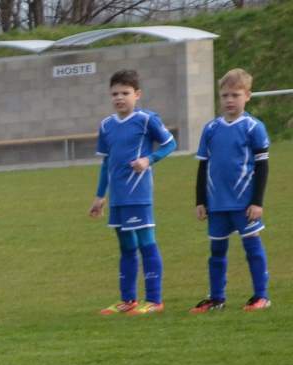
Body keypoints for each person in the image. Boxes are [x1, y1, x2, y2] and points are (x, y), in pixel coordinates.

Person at [88, 68, 177, 315]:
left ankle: (154, 300)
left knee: (146, 243)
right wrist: (100, 196)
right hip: (117, 198)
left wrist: (149, 159)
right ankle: (128, 300)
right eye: (115, 94)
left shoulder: (146, 119)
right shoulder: (106, 125)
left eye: (125, 93)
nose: (119, 98)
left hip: (139, 194)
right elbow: (106, 163)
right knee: (126, 246)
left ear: (137, 94)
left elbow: (170, 144)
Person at [190, 68, 271, 313]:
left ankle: (261, 296)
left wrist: (257, 202)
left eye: (235, 95)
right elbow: (203, 166)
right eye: (225, 95)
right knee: (216, 251)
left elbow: (262, 166)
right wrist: (201, 200)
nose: (229, 100)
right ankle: (217, 298)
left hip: (244, 203)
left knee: (252, 248)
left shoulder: (253, 127)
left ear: (247, 96)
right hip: (217, 203)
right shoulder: (211, 129)